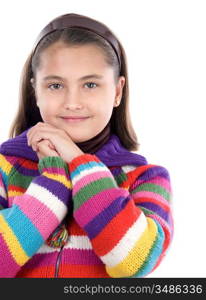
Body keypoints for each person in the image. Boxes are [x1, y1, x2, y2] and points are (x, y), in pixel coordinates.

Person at [0, 13, 174, 278]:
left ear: (117, 91)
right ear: (36, 91)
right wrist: (54, 181)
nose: (73, 102)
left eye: (90, 84)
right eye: (56, 85)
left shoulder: (146, 178)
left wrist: (78, 162)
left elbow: (134, 262)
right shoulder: (5, 168)